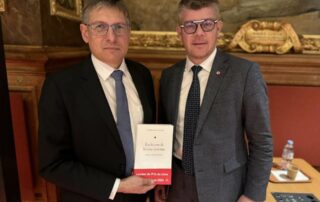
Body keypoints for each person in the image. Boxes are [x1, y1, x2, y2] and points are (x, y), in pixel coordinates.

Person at [155, 0, 273, 201]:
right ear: (179, 32)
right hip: (176, 187)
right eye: (190, 26)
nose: (199, 33)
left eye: (207, 24)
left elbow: (262, 142)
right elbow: (164, 133)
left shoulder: (244, 74)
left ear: (218, 27)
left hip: (225, 188)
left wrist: (252, 195)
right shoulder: (169, 77)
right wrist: (160, 179)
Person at [38, 0, 156, 201]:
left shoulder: (142, 75)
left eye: (119, 27)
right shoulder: (61, 86)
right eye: (100, 27)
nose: (111, 37)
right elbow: (52, 164)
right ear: (85, 33)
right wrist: (118, 186)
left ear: (129, 32)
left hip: (141, 196)